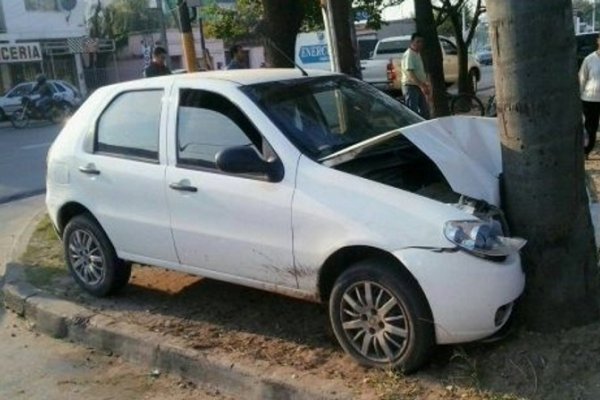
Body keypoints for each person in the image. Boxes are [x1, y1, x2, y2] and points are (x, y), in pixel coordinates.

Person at [401, 32, 430, 119]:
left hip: (419, 85)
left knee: (424, 110)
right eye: (417, 41)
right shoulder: (409, 54)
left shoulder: (417, 54)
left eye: (421, 42)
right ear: (412, 42)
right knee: (412, 112)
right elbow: (410, 73)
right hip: (411, 86)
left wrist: (424, 84)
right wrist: (421, 85)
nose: (420, 44)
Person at [580, 33, 600, 157]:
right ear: (598, 41)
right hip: (590, 99)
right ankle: (586, 151)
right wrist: (578, 97)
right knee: (590, 128)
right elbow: (582, 79)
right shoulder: (589, 59)